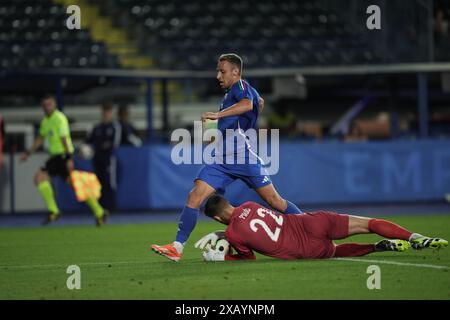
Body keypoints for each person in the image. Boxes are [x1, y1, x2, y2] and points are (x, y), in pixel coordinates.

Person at [151, 53, 302, 262]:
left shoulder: (240, 86)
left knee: (274, 200)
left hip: (243, 157)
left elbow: (249, 104)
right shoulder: (236, 91)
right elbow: (259, 101)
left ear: (235, 72)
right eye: (217, 71)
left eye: (222, 71)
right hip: (222, 160)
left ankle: (308, 225)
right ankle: (177, 247)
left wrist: (217, 115)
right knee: (195, 196)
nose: (218, 76)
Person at [195, 194, 448, 261]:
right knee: (368, 223)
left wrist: (225, 257)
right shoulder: (249, 203)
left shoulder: (232, 233)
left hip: (304, 247)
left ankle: (376, 247)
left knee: (335, 251)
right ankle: (416, 237)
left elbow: (247, 258)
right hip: (310, 221)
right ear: (229, 203)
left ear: (217, 219)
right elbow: (250, 219)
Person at [20, 95, 107, 226]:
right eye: (44, 105)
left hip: (62, 156)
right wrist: (28, 153)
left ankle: (54, 211)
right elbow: (40, 138)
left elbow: (64, 139)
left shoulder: (59, 118)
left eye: (49, 104)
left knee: (41, 178)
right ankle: (99, 212)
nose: (47, 107)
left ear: (54, 104)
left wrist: (69, 158)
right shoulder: (45, 121)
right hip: (55, 157)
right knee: (73, 184)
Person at [85, 103, 120, 210]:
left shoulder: (114, 127)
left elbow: (113, 143)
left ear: (111, 113)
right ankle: (100, 208)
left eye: (108, 112)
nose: (106, 114)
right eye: (104, 112)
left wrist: (99, 146)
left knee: (109, 182)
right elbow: (89, 141)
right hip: (97, 159)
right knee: (97, 183)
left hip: (108, 159)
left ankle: (111, 207)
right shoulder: (97, 128)